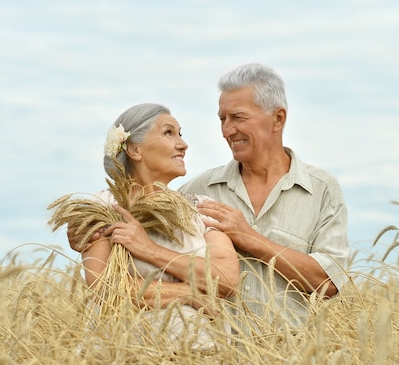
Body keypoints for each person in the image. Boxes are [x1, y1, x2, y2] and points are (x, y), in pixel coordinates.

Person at [178, 63, 349, 329]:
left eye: (238, 117)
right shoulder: (195, 191)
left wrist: (248, 238)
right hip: (210, 364)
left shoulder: (323, 189)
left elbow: (328, 282)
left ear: (278, 119)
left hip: (293, 364)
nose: (226, 130)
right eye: (222, 119)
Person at [56, 103, 240, 350]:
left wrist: (148, 249)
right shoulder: (100, 209)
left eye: (180, 134)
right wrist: (189, 294)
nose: (183, 144)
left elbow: (226, 278)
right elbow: (107, 288)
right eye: (168, 133)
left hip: (198, 363)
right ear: (134, 149)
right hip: (120, 358)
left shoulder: (202, 210)